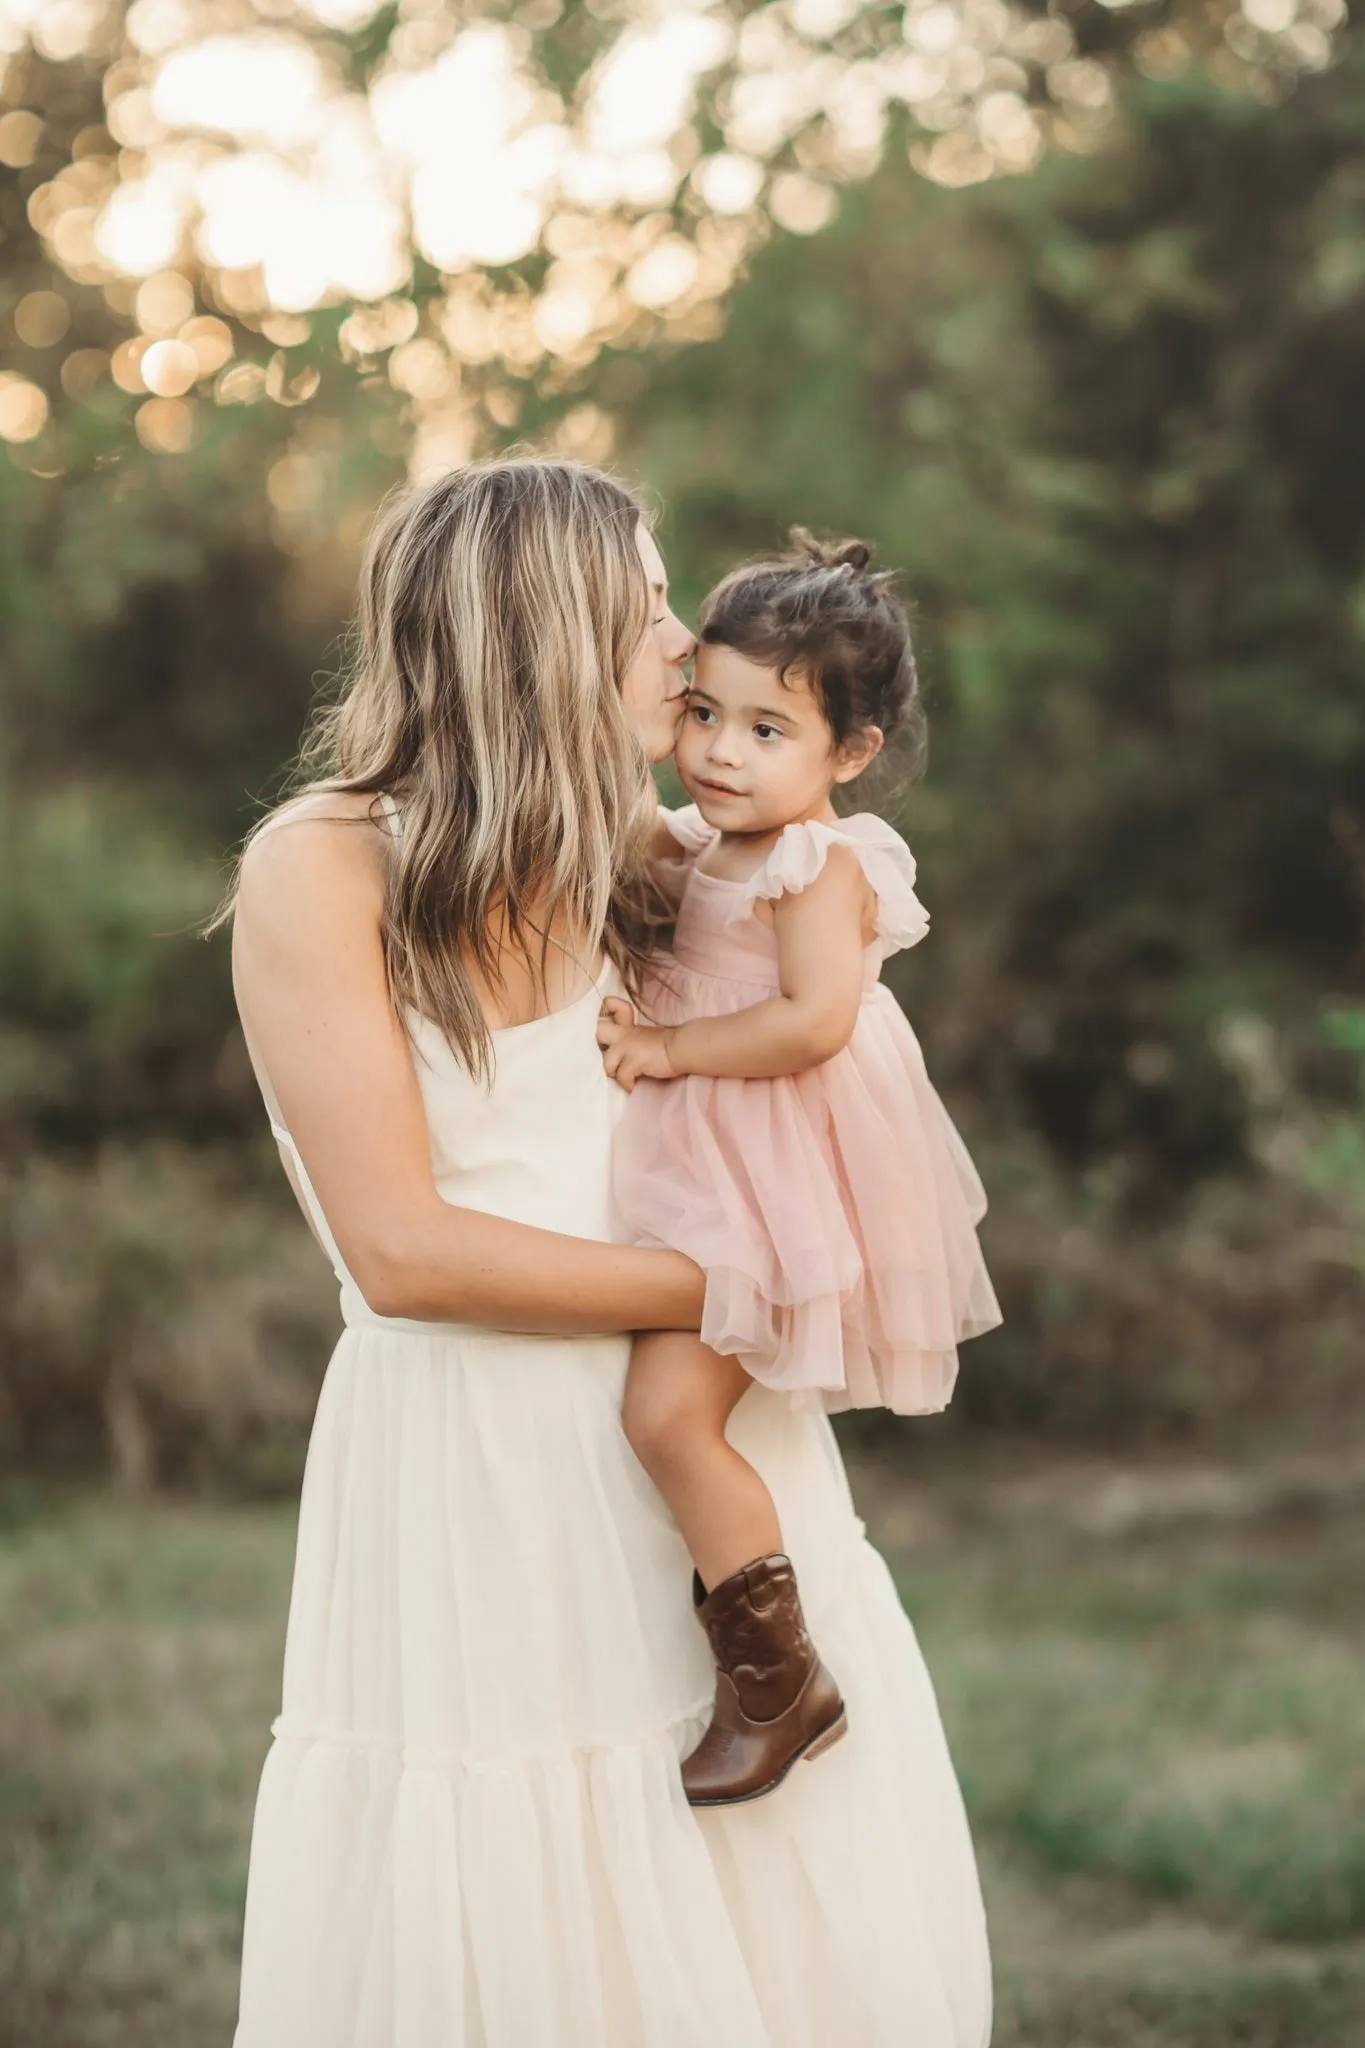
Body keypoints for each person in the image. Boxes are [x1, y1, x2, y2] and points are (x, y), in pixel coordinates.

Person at [228, 458, 992, 2047]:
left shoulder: (649, 852)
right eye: (643, 603)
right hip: (476, 1462)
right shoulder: (324, 863)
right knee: (507, 1875)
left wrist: (794, 1263)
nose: (675, 639)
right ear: (542, 629)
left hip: (701, 1434)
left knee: (760, 1905)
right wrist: (751, 1290)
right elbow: (404, 1252)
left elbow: (825, 1068)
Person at [598, 532, 1002, 1808]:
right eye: (705, 711)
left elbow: (814, 1023)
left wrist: (666, 1047)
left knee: (667, 1414)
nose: (721, 750)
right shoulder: (692, 837)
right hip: (702, 1162)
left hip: (777, 1184)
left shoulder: (818, 863)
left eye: (769, 730)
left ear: (852, 753)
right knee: (652, 1409)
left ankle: (779, 1683)